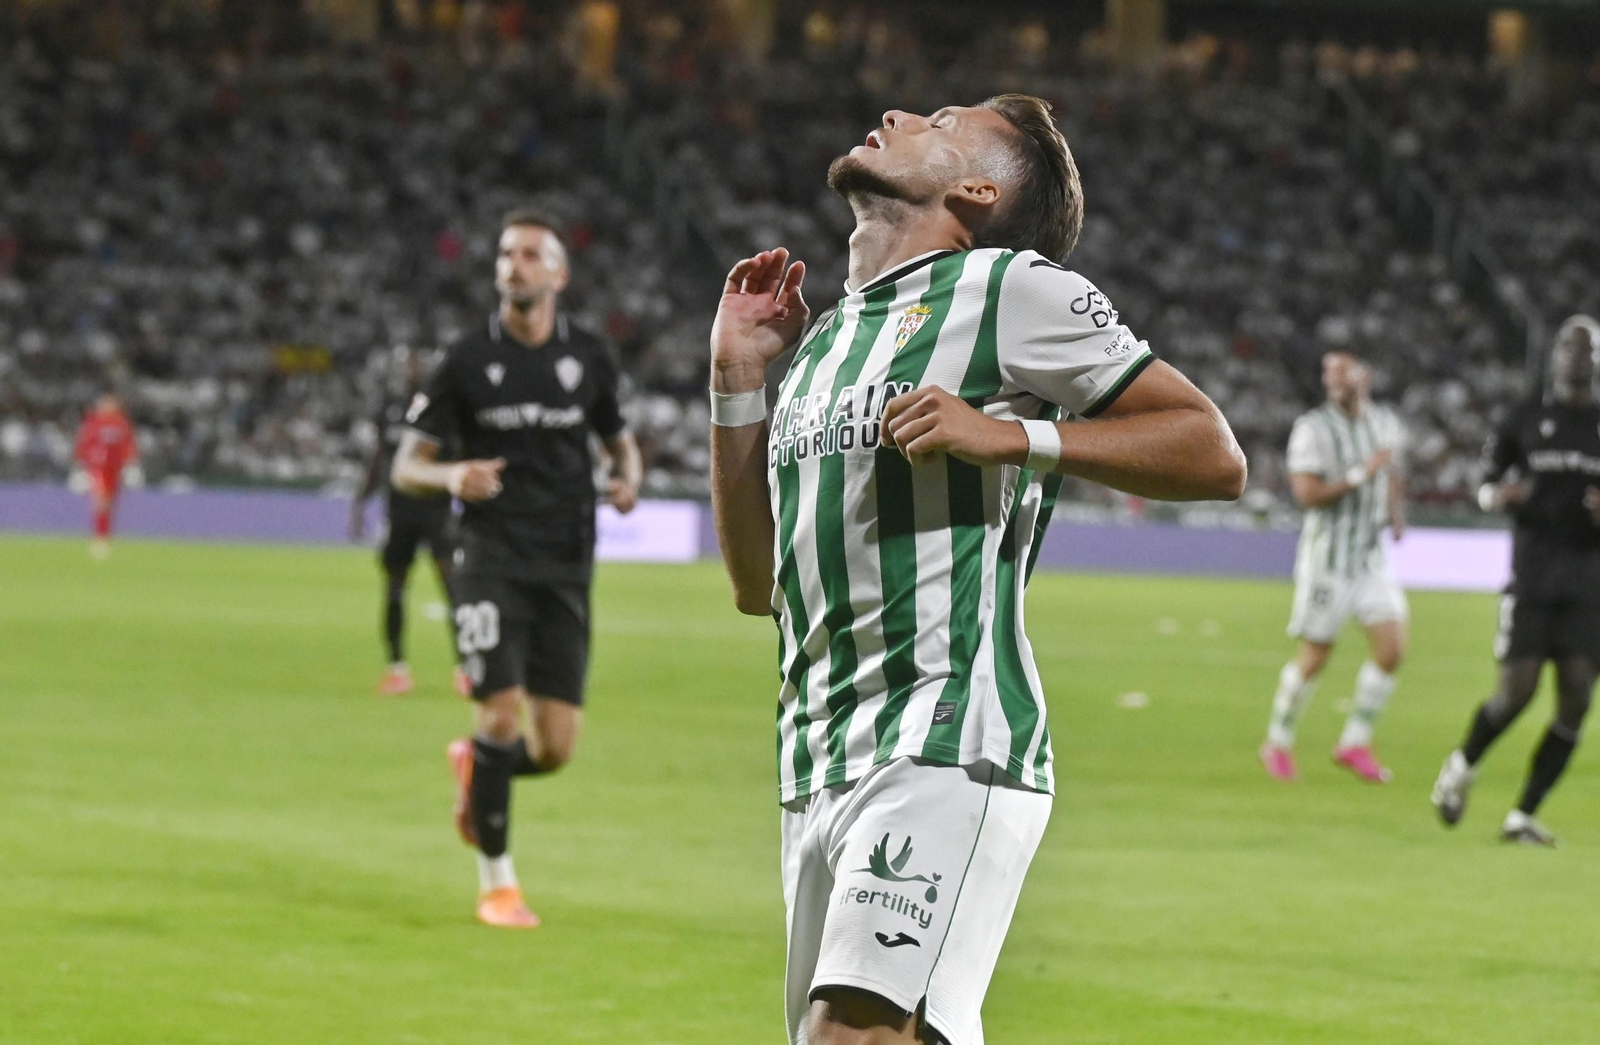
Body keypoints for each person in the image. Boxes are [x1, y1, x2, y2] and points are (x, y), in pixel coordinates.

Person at [708, 95, 1246, 1045]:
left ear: (976, 188)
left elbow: (1212, 450)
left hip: (947, 733)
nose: (899, 111)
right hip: (819, 752)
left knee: (854, 1037)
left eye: (944, 120)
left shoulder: (1008, 287)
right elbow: (757, 585)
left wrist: (1010, 435)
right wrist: (738, 382)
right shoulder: (826, 340)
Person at [391, 210, 642, 927]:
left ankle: (477, 769)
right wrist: (452, 475)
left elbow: (621, 443)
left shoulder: (589, 357)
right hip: (488, 558)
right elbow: (409, 462)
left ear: (558, 274)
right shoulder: (466, 360)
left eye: (532, 254)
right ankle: (497, 883)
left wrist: (626, 481)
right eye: (507, 254)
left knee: (555, 747)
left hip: (565, 563)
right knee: (499, 711)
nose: (516, 265)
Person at [1432, 315, 1600, 847]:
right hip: (1531, 577)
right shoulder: (1524, 417)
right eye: (1570, 349)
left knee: (1576, 698)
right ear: (1555, 357)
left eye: (1589, 350)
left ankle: (1523, 814)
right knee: (1516, 694)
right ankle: (1462, 764)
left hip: (1589, 581)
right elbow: (1482, 486)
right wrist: (1499, 497)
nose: (1579, 358)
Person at [1258, 353, 1409, 783]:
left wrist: (1396, 515)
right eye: (1328, 373)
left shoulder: (1385, 423)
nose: (1334, 380)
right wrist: (1362, 474)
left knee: (1392, 649)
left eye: (1343, 371)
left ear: (1366, 374)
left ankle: (1354, 742)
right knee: (1315, 656)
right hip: (1328, 563)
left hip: (1370, 559)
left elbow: (1393, 473)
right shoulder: (1313, 428)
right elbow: (1307, 494)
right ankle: (1276, 742)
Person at [350, 345, 466, 698]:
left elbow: (459, 456)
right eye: (406, 363)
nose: (410, 369)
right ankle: (397, 669)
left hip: (435, 510)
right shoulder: (391, 410)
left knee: (453, 589)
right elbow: (379, 459)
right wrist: (360, 502)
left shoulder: (443, 408)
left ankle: (466, 669)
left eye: (416, 363)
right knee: (395, 588)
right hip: (400, 513)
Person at [72, 394, 141, 560]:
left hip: (115, 469)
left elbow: (128, 444)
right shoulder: (93, 422)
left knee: (110, 503)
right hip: (97, 467)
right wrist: (79, 466)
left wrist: (132, 464)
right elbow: (84, 443)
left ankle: (104, 536)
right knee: (100, 501)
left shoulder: (121, 423)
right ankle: (100, 538)